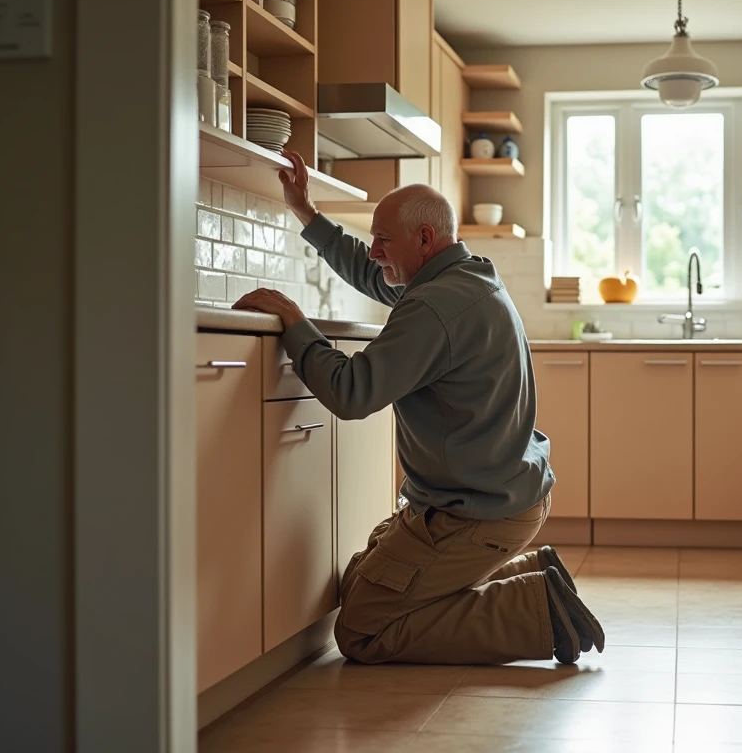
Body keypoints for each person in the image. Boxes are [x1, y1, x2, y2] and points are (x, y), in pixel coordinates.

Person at [232, 151, 604, 665]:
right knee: (358, 578)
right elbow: (375, 273)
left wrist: (296, 321)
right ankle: (526, 574)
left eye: (383, 239)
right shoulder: (466, 276)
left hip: (476, 512)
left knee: (362, 627)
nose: (374, 248)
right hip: (499, 493)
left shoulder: (434, 307)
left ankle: (536, 610)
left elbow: (351, 391)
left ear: (424, 240)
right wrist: (306, 213)